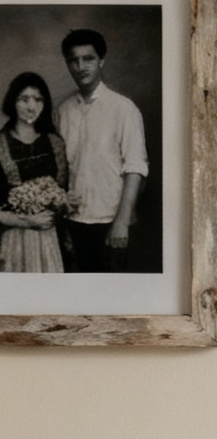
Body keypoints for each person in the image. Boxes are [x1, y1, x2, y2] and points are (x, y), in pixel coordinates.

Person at [56, 27, 147, 270]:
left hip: (112, 222)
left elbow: (135, 169)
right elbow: (61, 169)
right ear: (67, 64)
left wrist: (122, 222)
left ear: (101, 61)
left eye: (88, 58)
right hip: (73, 222)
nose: (81, 66)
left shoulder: (123, 109)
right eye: (73, 60)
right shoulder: (63, 111)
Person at [0, 72, 69, 275]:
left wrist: (62, 204)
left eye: (38, 99)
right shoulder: (1, 144)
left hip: (50, 240)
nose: (31, 107)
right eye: (24, 99)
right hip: (11, 239)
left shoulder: (54, 143)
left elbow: (62, 190)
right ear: (13, 102)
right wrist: (26, 221)